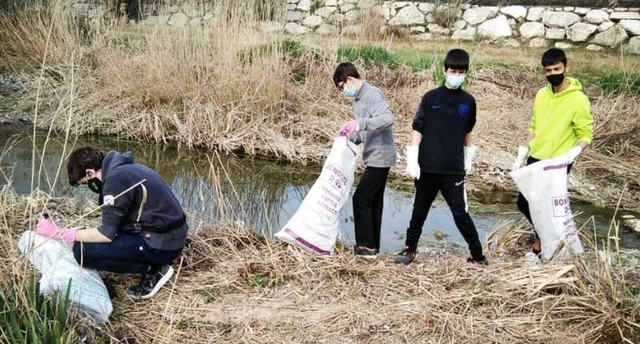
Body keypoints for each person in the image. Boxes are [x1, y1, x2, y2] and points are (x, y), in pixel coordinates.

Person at [36, 146, 188, 299]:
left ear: (90, 173)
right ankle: (152, 262)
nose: (90, 187)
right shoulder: (125, 169)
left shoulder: (115, 179)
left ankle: (154, 269)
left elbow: (107, 234)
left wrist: (62, 233)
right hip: (169, 236)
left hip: (161, 244)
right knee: (89, 243)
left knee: (81, 252)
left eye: (85, 183)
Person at [394, 49, 486, 265]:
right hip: (427, 167)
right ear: (444, 70)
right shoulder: (430, 98)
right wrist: (413, 157)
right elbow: (418, 127)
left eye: (461, 72)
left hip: (453, 169)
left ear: (466, 74)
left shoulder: (468, 101)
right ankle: (410, 249)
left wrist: (468, 157)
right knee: (419, 212)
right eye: (453, 70)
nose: (456, 75)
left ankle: (477, 254)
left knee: (461, 214)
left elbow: (467, 130)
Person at [511, 48, 594, 258]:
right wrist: (523, 150)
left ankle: (540, 246)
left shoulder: (578, 99)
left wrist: (574, 152)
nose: (553, 73)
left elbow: (586, 133)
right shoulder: (541, 94)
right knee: (524, 203)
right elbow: (534, 125)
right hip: (536, 156)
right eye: (548, 70)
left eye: (557, 68)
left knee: (546, 204)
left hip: (558, 161)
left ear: (566, 68)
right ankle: (545, 238)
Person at [333, 62, 397, 259]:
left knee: (360, 199)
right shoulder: (359, 100)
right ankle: (373, 247)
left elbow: (387, 118)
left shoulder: (372, 94)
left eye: (343, 88)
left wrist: (358, 124)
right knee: (374, 202)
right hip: (374, 155)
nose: (344, 92)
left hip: (381, 156)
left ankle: (364, 247)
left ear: (350, 80)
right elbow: (362, 131)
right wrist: (347, 137)